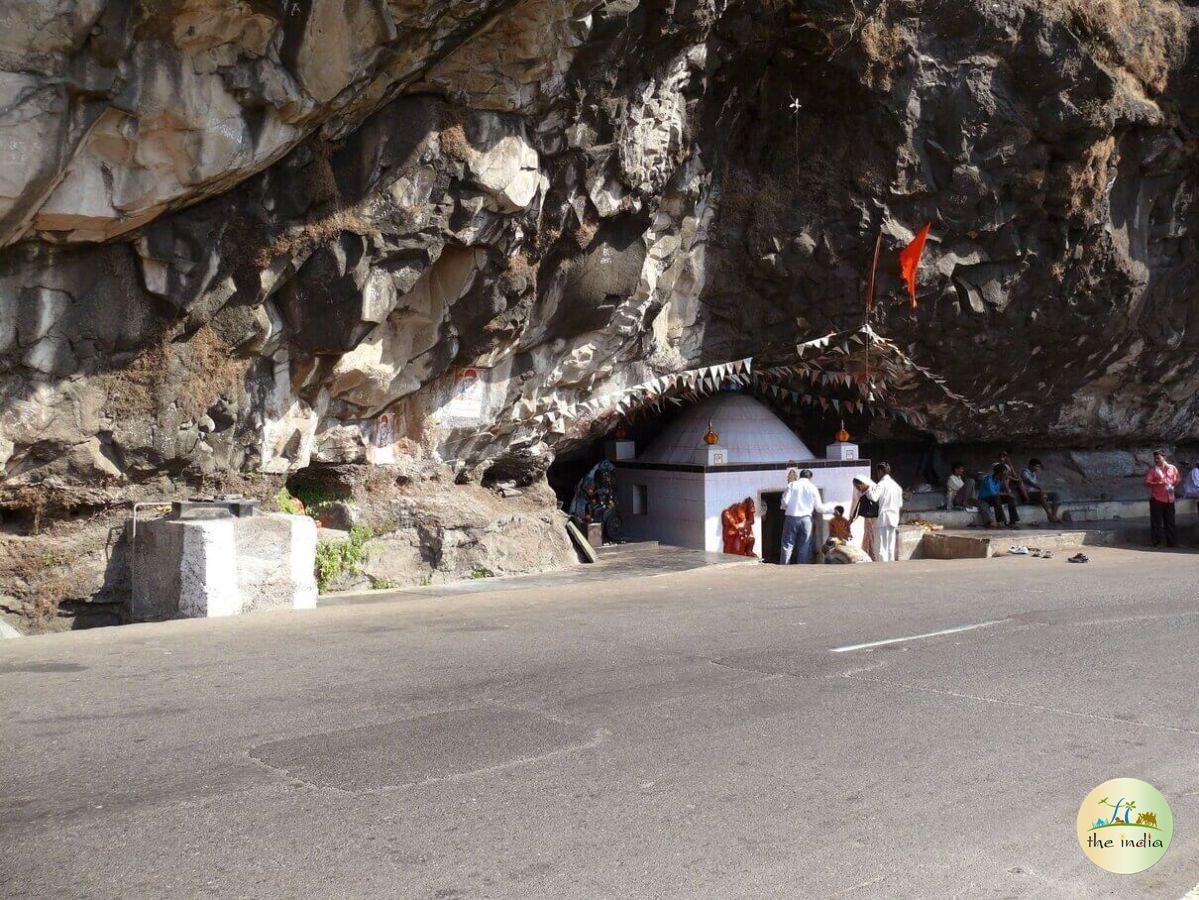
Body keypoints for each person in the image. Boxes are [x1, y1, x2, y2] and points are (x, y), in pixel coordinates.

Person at [780, 468, 822, 564]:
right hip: (807, 519)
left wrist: (786, 508)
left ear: (800, 476)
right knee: (804, 545)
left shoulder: (792, 485)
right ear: (810, 477)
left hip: (791, 517)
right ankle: (801, 568)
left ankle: (784, 566)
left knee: (787, 544)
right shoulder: (812, 487)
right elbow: (818, 507)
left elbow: (785, 501)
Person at [1144, 449, 1182, 548]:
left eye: (1158, 458)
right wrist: (1157, 483)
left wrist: (1173, 484)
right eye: (1155, 458)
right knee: (1157, 522)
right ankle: (1157, 542)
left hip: (1170, 498)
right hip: (1157, 499)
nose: (1156, 460)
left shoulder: (1172, 468)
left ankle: (1172, 542)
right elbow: (1147, 482)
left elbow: (1177, 479)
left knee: (1170, 522)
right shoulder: (1153, 470)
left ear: (1164, 457)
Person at [869, 462, 904, 563]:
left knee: (881, 546)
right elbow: (900, 504)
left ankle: (883, 567)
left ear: (880, 471)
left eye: (877, 472)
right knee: (890, 544)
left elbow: (873, 497)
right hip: (893, 517)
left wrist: (868, 490)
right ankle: (890, 566)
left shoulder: (881, 484)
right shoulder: (896, 486)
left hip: (884, 517)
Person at [977, 463, 1019, 528]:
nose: (1006, 475)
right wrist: (1006, 494)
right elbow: (993, 493)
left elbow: (1005, 491)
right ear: (999, 473)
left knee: (1010, 498)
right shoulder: (988, 479)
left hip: (994, 498)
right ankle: (1000, 521)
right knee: (996, 497)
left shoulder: (999, 480)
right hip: (984, 499)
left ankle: (1012, 522)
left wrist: (1006, 484)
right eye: (1005, 474)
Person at [1020, 458, 1061, 523]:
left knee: (1055, 495)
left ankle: (1054, 516)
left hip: (1035, 493)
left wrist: (1041, 490)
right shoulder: (1025, 472)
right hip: (1028, 494)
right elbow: (1028, 482)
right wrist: (1040, 488)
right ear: (1031, 465)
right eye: (1036, 466)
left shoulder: (1034, 474)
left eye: (1038, 466)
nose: (1037, 468)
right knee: (1041, 494)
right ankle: (1049, 516)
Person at [849, 477, 878, 561]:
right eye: (856, 487)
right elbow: (856, 503)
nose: (857, 489)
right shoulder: (859, 491)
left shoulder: (872, 489)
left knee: (870, 537)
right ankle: (868, 555)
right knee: (867, 536)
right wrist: (851, 518)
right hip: (867, 517)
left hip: (873, 517)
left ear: (862, 484)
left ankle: (872, 556)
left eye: (858, 487)